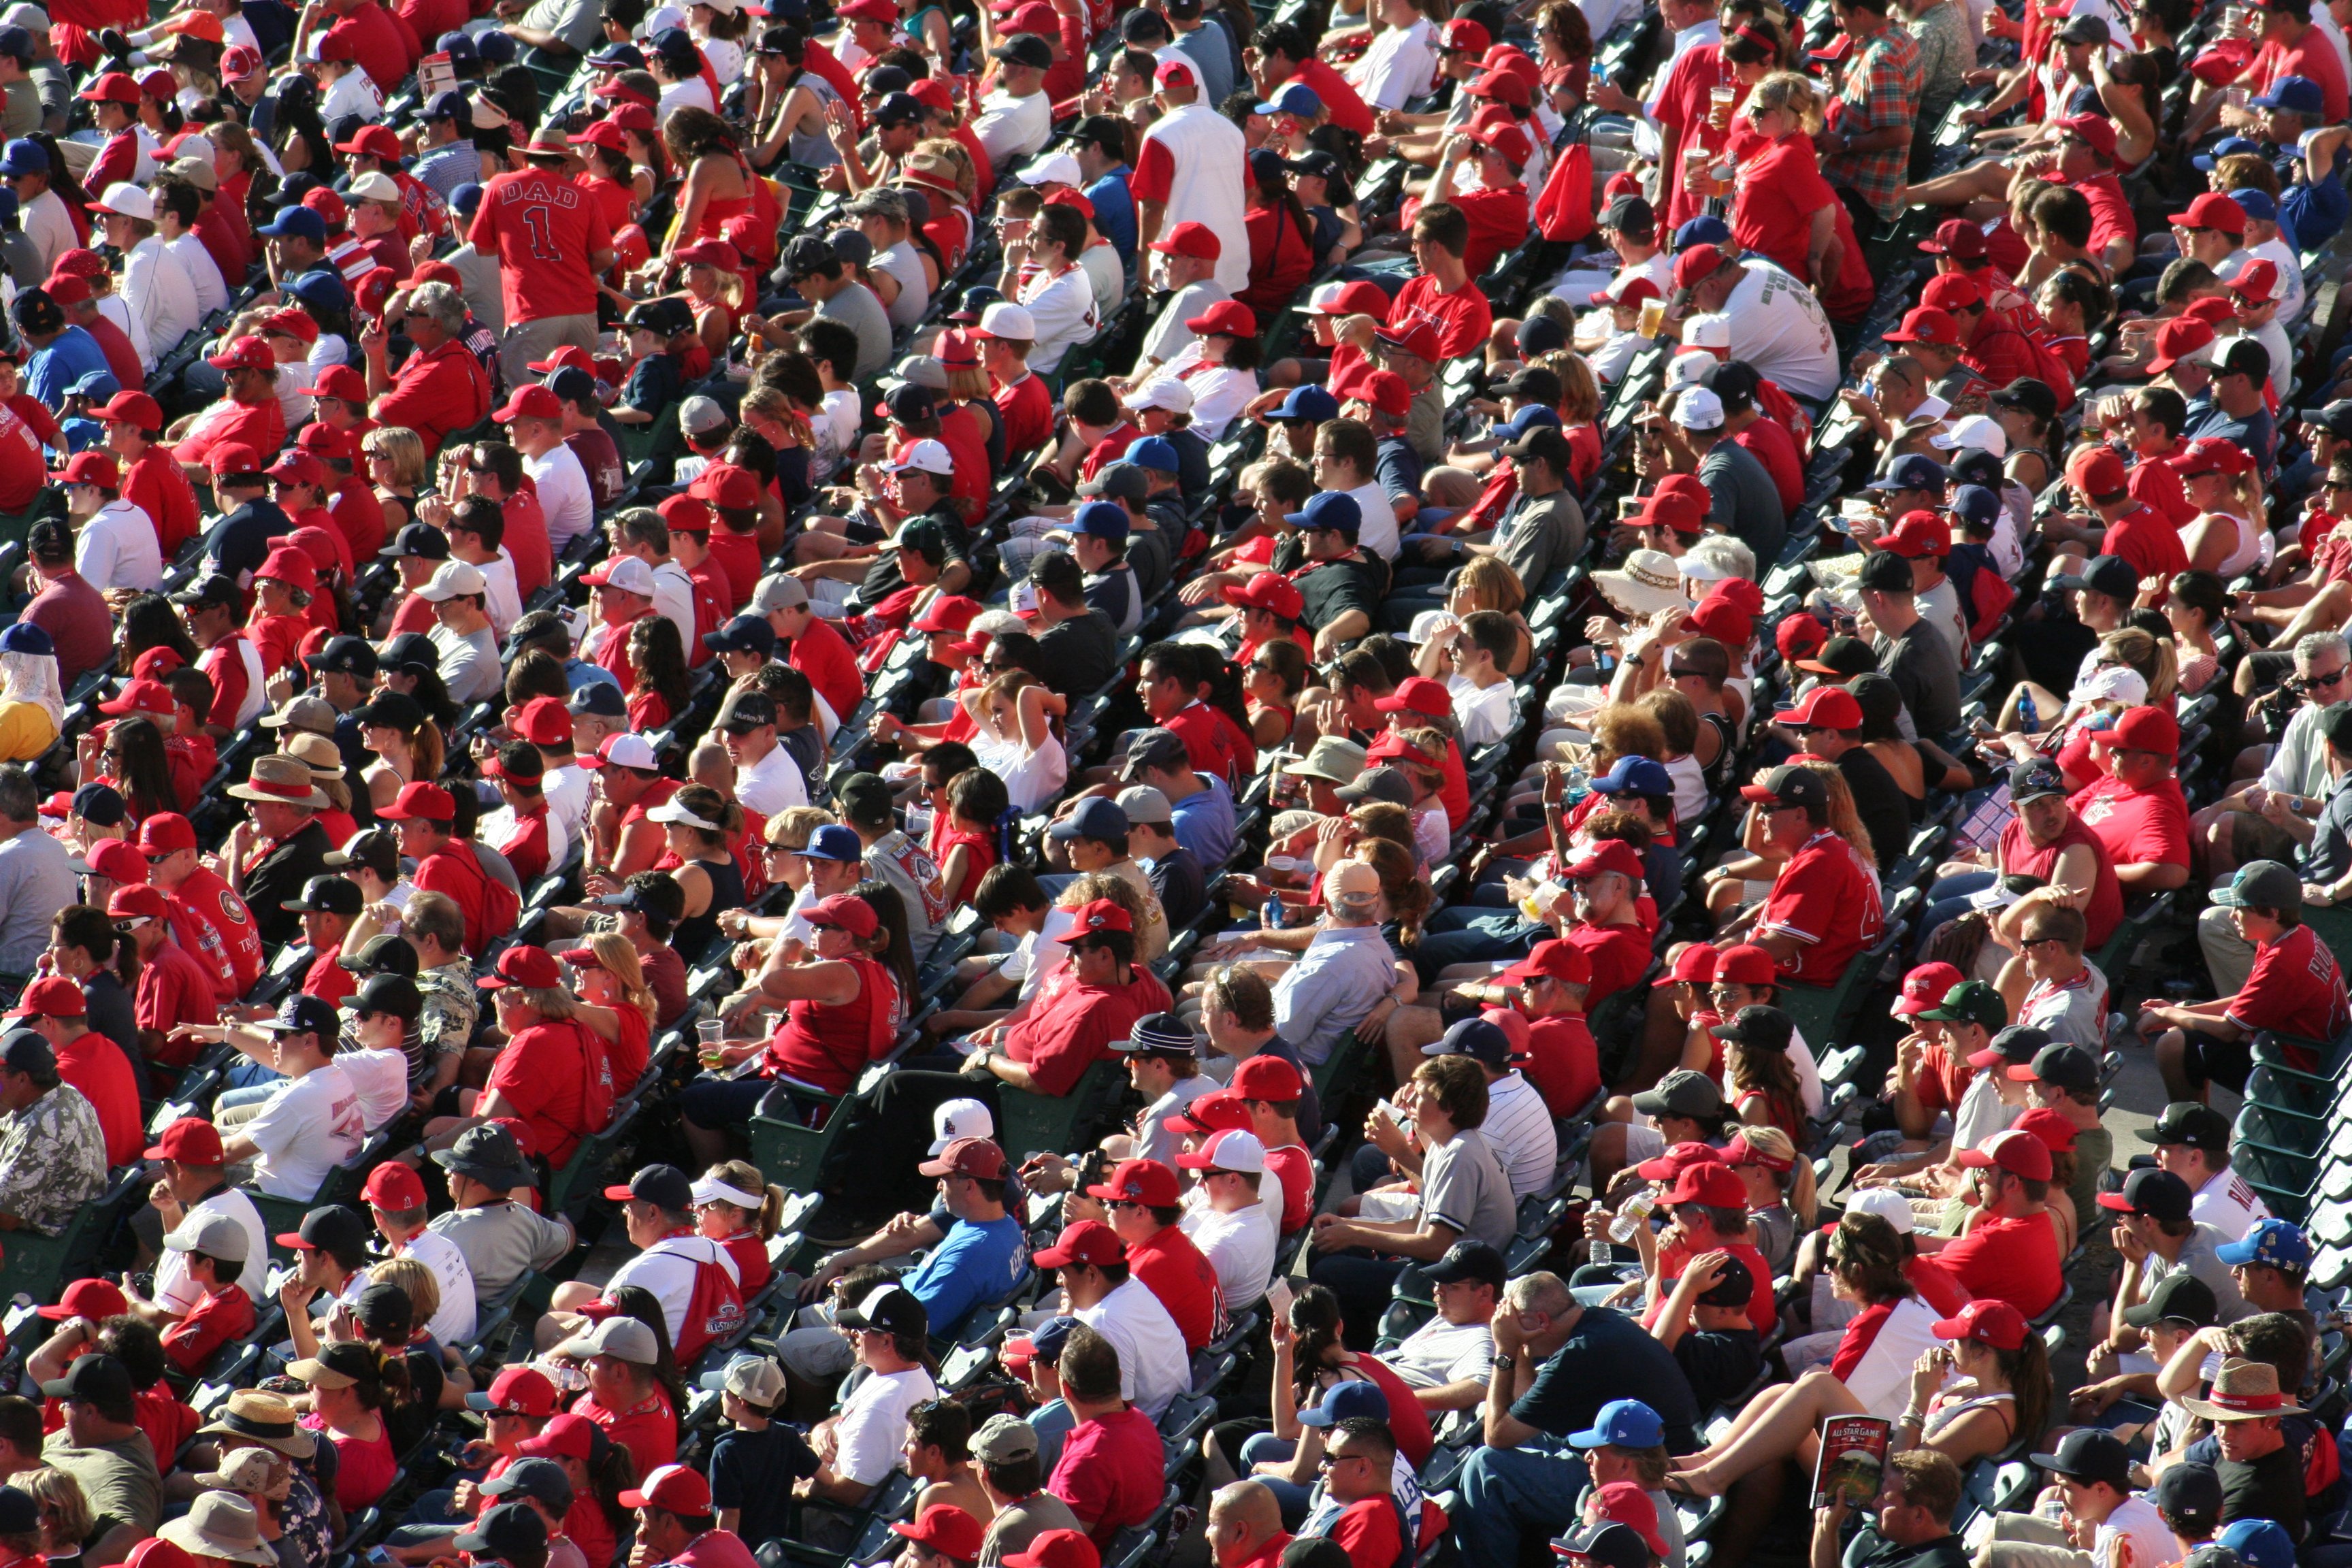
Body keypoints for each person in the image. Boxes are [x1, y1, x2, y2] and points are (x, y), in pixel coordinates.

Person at [1453, 1275, 1700, 1566]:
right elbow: (1525, 1409)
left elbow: (1496, 1435)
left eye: (1516, 1322)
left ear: (1540, 1321)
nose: (1510, 1329)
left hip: (1638, 1476)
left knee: (1487, 1468)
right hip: (1636, 1451)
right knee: (1523, 1438)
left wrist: (1505, 1348)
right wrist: (1518, 1346)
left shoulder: (1579, 1354)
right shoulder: (1602, 1323)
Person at [1045, 1324, 1164, 1549]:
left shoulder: (1088, 1460)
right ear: (1119, 1377)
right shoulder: (1141, 1421)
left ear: (1065, 1387)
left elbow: (1063, 1546)